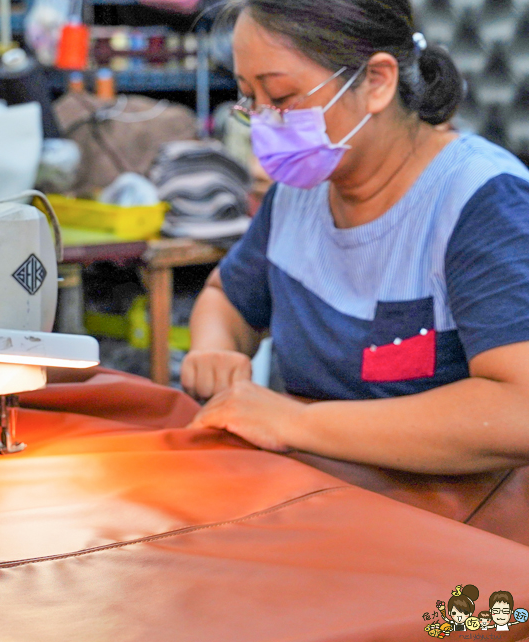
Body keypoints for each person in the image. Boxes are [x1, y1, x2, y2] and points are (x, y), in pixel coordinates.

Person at [183, 0, 529, 475]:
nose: (265, 121)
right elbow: (228, 297)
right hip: (323, 499)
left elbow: (518, 411)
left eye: (281, 98)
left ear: (377, 81)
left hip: (455, 523)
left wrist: (297, 424)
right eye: (249, 99)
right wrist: (214, 347)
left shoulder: (481, 201)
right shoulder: (296, 196)